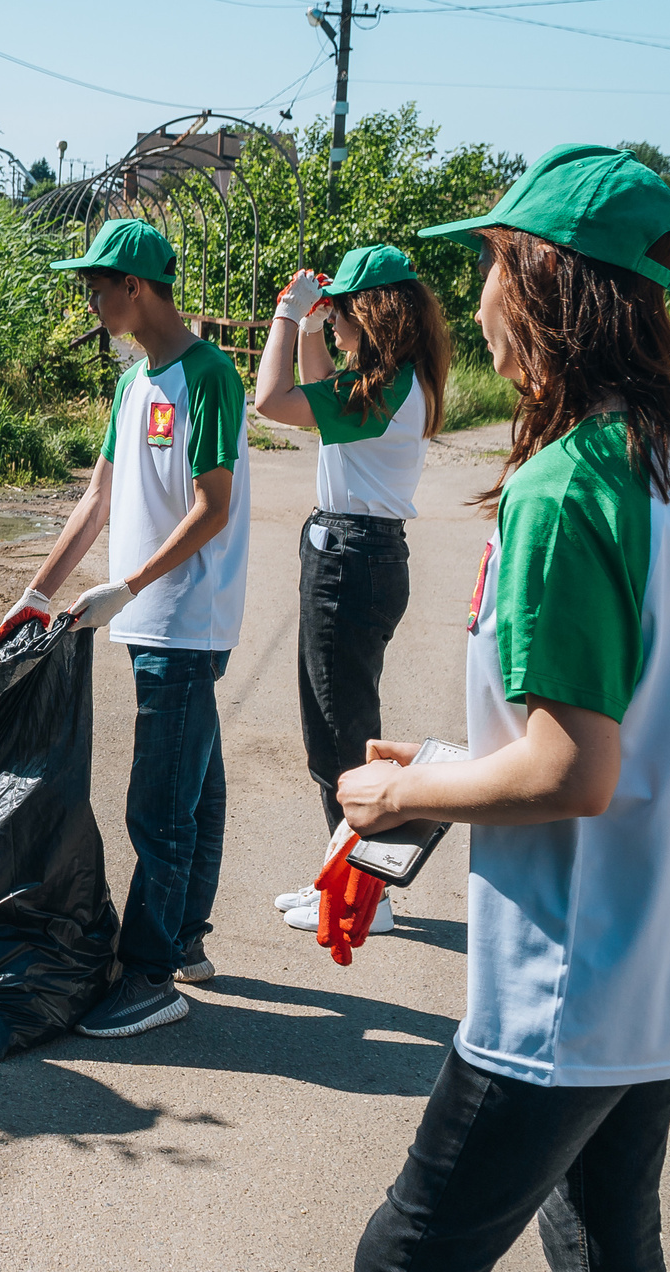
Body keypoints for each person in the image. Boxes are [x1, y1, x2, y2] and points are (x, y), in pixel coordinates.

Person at [318, 144, 670, 1272]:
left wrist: (405, 804)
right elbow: (615, 730)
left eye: (498, 262)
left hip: (576, 973)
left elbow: (573, 767)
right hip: (667, 953)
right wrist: (448, 766)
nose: (485, 294)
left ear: (548, 284)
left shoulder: (573, 485)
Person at [0, 217, 252, 1035]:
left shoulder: (207, 377)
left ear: (135, 287)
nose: (91, 301)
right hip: (150, 616)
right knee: (196, 787)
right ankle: (184, 942)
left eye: (98, 288)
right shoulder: (134, 381)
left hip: (184, 616)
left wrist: (125, 586)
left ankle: (147, 976)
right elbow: (98, 498)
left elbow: (214, 507)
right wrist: (39, 591)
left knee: (160, 805)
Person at [252, 243, 452, 939]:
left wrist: (285, 314)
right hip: (358, 555)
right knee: (335, 731)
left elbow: (273, 401)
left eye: (340, 315)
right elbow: (316, 381)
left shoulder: (385, 391)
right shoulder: (395, 384)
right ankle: (343, 874)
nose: (332, 328)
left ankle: (370, 894)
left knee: (340, 736)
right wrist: (312, 325)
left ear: (372, 314)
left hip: (350, 559)